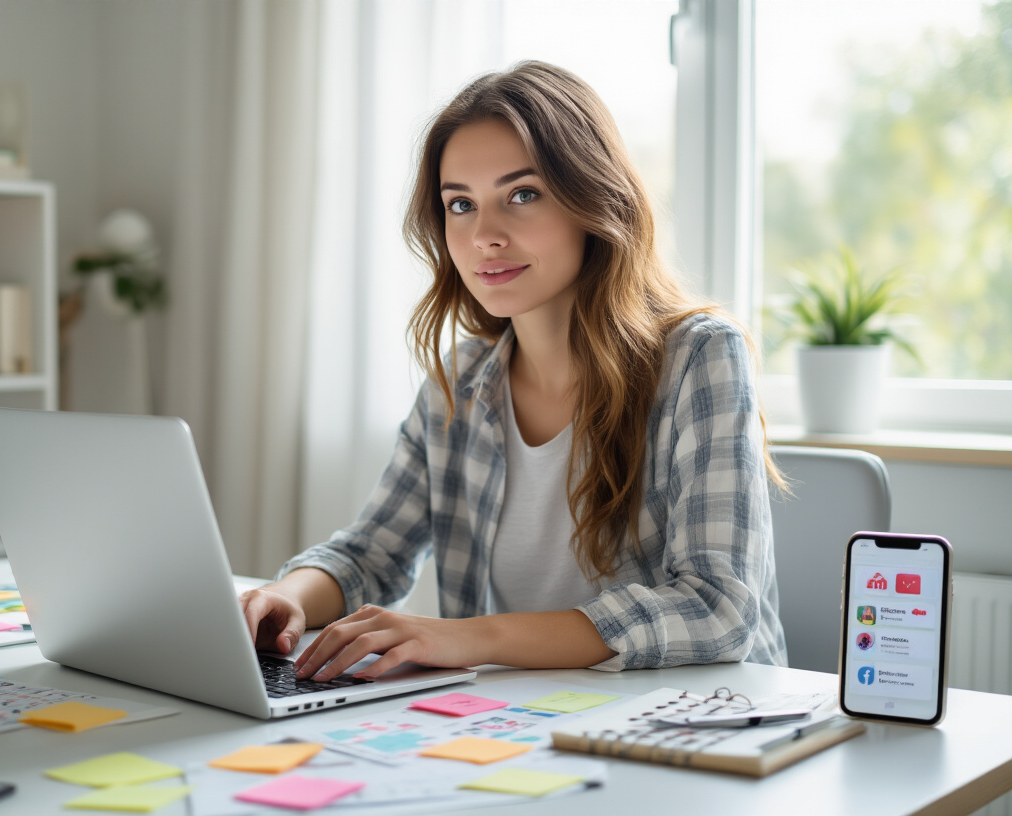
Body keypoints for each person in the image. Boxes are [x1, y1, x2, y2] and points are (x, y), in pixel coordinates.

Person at [239, 60, 788, 683]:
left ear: (594, 200)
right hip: (523, 720)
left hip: (696, 720)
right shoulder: (462, 381)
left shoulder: (699, 357)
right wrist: (286, 596)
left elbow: (718, 609)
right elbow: (373, 551)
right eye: (461, 204)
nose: (485, 236)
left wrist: (466, 639)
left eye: (522, 195)